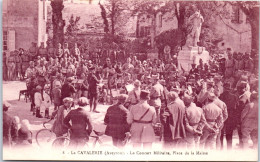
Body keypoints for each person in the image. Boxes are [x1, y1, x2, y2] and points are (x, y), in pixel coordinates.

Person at [219, 82, 237, 150]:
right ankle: (229, 150)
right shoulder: (234, 96)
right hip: (231, 118)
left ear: (223, 88)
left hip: (222, 117)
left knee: (221, 134)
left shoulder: (220, 96)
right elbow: (235, 109)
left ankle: (220, 149)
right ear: (230, 89)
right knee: (229, 135)